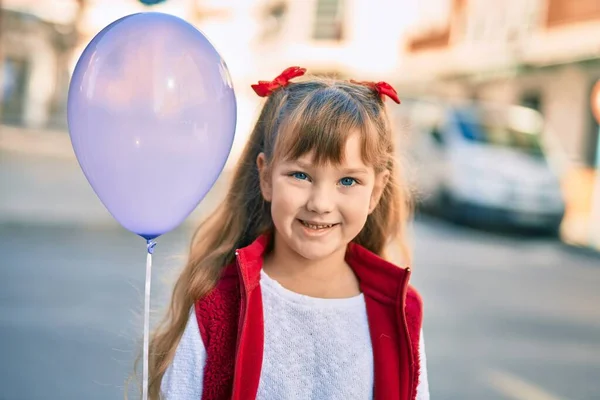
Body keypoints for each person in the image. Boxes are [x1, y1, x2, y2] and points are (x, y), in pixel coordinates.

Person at [148, 66, 429, 399]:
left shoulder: (399, 311)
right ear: (266, 177)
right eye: (300, 176)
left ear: (376, 191)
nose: (321, 203)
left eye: (348, 181)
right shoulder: (219, 303)